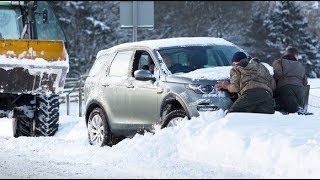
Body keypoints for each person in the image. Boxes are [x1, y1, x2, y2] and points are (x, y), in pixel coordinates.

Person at [272, 47, 308, 114]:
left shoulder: (280, 61)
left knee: (287, 108)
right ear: (296, 55)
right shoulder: (301, 65)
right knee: (296, 111)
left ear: (286, 53)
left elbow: (277, 74)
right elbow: (305, 82)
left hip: (285, 89)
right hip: (300, 92)